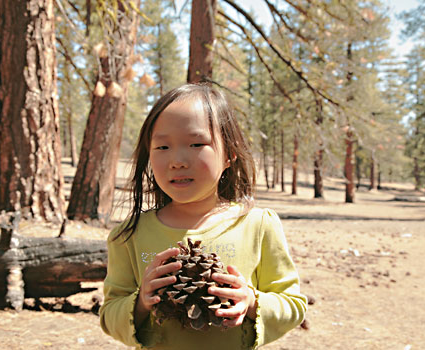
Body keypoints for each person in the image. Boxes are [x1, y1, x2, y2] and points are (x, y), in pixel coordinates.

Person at [99, 83, 307, 350]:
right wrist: (140, 302)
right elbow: (109, 315)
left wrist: (252, 302)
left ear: (230, 154)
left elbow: (293, 305)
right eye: (162, 147)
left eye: (196, 143)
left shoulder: (257, 225)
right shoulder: (129, 234)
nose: (177, 160)